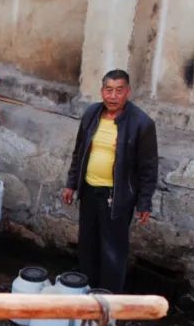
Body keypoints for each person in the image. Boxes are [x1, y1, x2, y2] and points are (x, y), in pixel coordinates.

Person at [62, 69, 158, 291]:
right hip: (88, 191)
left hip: (117, 198)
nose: (113, 96)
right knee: (87, 246)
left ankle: (108, 305)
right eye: (108, 90)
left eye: (119, 91)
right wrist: (71, 183)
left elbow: (148, 168)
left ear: (128, 92)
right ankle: (87, 294)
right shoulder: (91, 114)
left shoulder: (142, 123)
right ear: (102, 91)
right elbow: (79, 152)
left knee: (113, 252)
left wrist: (144, 202)